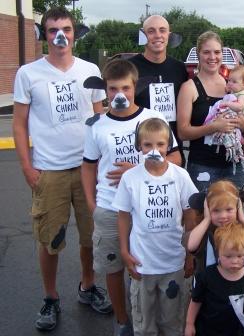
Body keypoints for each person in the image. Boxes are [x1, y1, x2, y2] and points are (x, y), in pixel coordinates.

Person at [12, 7, 111, 331]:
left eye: (66, 29)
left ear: (74, 33)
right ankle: (50, 298)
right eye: (53, 29)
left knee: (88, 236)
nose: (60, 35)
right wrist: (28, 168)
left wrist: (102, 165)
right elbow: (19, 123)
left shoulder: (90, 70)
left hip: (86, 168)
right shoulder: (29, 73)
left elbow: (101, 121)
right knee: (49, 239)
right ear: (44, 34)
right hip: (49, 170)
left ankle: (87, 286)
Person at [81, 59, 181, 335]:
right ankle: (123, 320)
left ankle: (151, 319)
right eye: (113, 89)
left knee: (146, 266)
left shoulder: (153, 118)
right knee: (113, 265)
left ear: (135, 86)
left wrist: (137, 169)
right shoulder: (96, 125)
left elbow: (175, 158)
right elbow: (88, 166)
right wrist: (93, 204)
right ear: (105, 91)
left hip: (147, 206)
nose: (119, 94)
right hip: (110, 207)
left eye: (125, 87)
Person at [112, 118, 198, 335]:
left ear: (168, 145)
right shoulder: (131, 178)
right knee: (144, 322)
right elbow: (123, 216)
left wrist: (190, 254)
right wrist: (124, 251)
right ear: (139, 146)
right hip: (143, 264)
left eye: (160, 144)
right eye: (148, 145)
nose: (155, 150)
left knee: (173, 321)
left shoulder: (180, 176)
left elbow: (190, 215)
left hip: (173, 262)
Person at [177, 31, 244, 191]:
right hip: (202, 166)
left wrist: (239, 120)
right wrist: (214, 127)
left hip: (234, 166)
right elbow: (182, 132)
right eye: (206, 52)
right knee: (202, 214)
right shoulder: (189, 88)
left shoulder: (231, 86)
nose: (212, 57)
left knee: (233, 214)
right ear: (198, 55)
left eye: (217, 52)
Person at [185, 223, 244, 336]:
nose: (234, 261)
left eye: (239, 256)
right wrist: (189, 324)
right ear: (217, 252)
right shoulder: (206, 276)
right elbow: (196, 301)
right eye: (228, 256)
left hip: (239, 331)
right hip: (209, 330)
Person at [129, 15, 187, 166]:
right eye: (151, 31)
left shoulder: (180, 68)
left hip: (173, 152)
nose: (158, 36)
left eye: (162, 30)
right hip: (140, 151)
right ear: (143, 34)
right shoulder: (130, 68)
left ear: (169, 34)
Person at [186, 179, 244, 273]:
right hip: (206, 286)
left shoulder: (243, 232)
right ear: (207, 210)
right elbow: (191, 246)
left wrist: (242, 218)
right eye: (216, 210)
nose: (223, 216)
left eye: (229, 209)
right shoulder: (205, 232)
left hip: (237, 286)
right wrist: (206, 220)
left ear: (238, 208)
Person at [221, 65, 244, 154]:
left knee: (229, 128)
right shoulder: (238, 91)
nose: (229, 83)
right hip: (243, 120)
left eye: (234, 82)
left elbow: (239, 107)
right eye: (229, 80)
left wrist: (226, 103)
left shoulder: (243, 95)